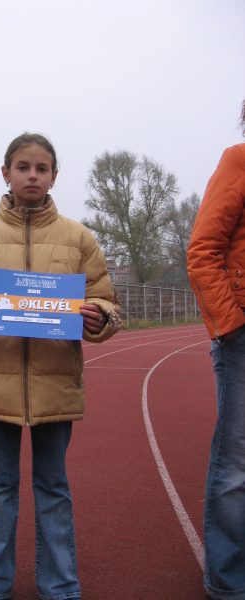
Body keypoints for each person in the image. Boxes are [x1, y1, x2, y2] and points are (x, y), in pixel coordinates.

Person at [0, 132, 121, 600]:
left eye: (42, 168)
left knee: (53, 486)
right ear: (6, 173)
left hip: (56, 383)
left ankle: (60, 585)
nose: (32, 176)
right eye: (23, 167)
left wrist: (99, 317)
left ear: (54, 176)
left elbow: (105, 298)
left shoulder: (78, 238)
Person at [187, 101, 245, 600]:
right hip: (242, 335)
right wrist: (231, 326)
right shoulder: (238, 160)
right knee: (237, 464)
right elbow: (203, 251)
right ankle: (228, 580)